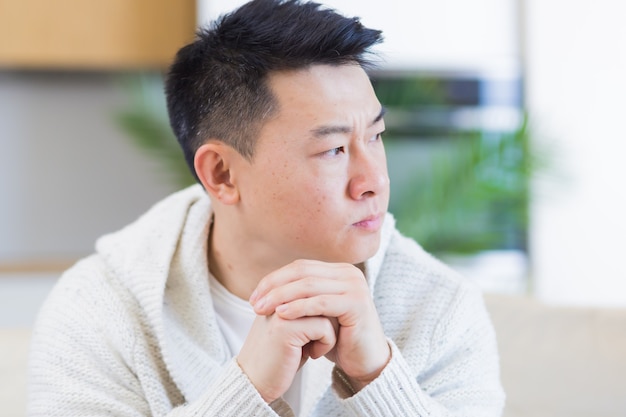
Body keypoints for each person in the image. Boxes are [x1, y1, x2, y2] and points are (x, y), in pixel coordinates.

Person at [27, 0, 505, 416]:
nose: (375, 181)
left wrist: (377, 375)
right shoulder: (101, 309)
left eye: (375, 137)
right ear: (221, 174)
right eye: (334, 150)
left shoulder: (439, 307)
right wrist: (246, 392)